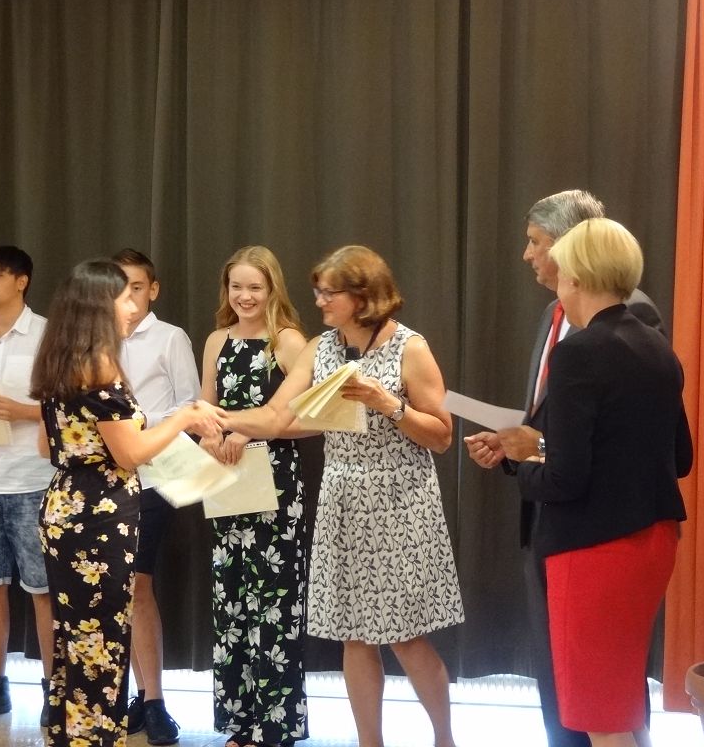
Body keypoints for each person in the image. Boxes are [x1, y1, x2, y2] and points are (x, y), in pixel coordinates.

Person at [217, 245, 463, 747]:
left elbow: (441, 436)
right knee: (353, 635)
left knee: (404, 635)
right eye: (319, 292)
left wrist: (388, 403)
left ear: (364, 296)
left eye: (331, 293)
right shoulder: (321, 347)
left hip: (399, 501)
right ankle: (369, 742)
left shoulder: (409, 347)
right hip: (342, 500)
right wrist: (216, 419)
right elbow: (279, 417)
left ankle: (445, 739)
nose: (320, 301)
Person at [463, 190, 664, 747]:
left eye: (536, 242)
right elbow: (552, 418)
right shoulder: (553, 315)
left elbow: (624, 443)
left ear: (574, 248)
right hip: (552, 519)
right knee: (563, 678)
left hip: (594, 526)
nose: (527, 255)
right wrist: (514, 447)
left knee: (602, 691)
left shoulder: (630, 317)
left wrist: (536, 452)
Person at [497, 218, 692, 747]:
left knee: (599, 718)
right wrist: (542, 450)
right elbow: (679, 457)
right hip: (652, 541)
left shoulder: (579, 352)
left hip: (592, 551)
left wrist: (524, 462)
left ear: (576, 276)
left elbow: (566, 479)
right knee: (622, 703)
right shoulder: (657, 348)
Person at [30, 259, 218, 747]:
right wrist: (184, 418)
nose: (132, 306)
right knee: (100, 644)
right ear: (99, 305)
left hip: (65, 505)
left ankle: (71, 736)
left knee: (77, 640)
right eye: (123, 297)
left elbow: (47, 446)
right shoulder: (100, 366)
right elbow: (130, 454)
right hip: (100, 515)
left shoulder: (59, 361)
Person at [197, 246, 309, 747]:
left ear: (272, 290)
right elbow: (206, 408)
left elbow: (312, 419)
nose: (244, 296)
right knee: (233, 602)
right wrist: (210, 437)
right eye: (236, 286)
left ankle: (275, 727)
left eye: (254, 288)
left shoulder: (287, 341)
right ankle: (241, 721)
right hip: (225, 477)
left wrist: (250, 431)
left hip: (275, 484)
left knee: (273, 603)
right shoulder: (216, 340)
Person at [112, 248, 201, 746]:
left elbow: (191, 404)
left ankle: (154, 700)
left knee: (138, 586)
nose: (128, 296)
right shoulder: (95, 338)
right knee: (115, 590)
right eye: (119, 286)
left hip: (152, 478)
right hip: (103, 483)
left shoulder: (169, 337)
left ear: (154, 290)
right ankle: (130, 694)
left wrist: (144, 431)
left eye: (137, 286)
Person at [0, 246, 53, 726]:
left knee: (44, 589)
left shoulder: (47, 336)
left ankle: (54, 689)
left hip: (34, 479)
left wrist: (25, 412)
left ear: (22, 281)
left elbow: (74, 405)